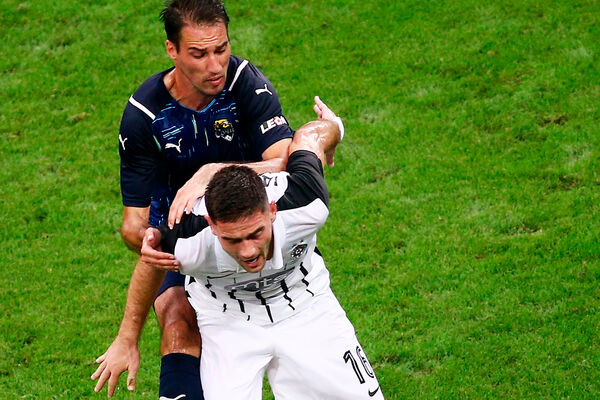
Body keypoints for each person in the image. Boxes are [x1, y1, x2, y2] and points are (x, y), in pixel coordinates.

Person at [93, 0, 335, 398]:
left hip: (251, 222)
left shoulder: (244, 83)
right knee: (177, 318)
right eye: (199, 54)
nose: (215, 65)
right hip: (185, 232)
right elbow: (133, 224)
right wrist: (160, 245)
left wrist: (212, 173)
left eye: (221, 49)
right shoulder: (145, 116)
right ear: (172, 50)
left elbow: (287, 161)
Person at [94, 110, 384, 399]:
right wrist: (127, 339)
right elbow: (150, 261)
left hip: (307, 307)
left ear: (272, 211)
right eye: (232, 239)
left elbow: (310, 136)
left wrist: (335, 126)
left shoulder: (305, 202)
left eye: (255, 233)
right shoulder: (190, 237)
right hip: (227, 323)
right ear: (212, 225)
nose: (248, 251)